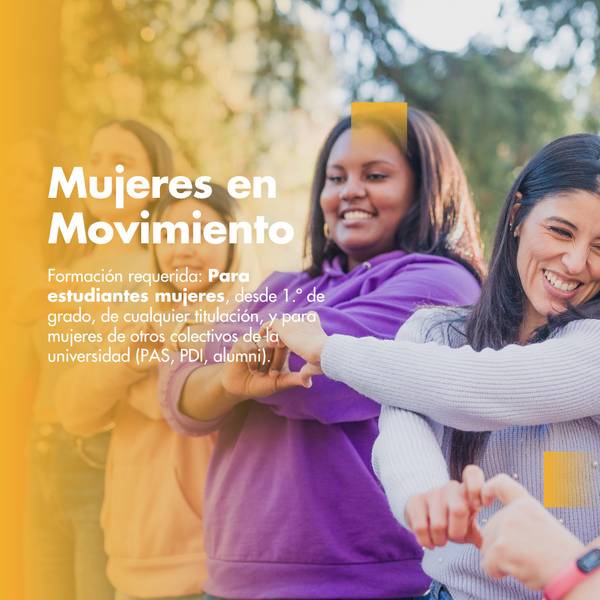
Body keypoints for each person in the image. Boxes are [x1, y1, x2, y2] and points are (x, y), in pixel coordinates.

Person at [160, 108, 484, 600]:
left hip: (360, 582)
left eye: (376, 175)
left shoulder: (442, 281)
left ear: (425, 187)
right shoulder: (285, 285)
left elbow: (313, 377)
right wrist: (229, 378)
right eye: (336, 178)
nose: (350, 190)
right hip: (232, 580)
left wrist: (223, 358)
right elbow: (179, 395)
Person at [263, 133, 600, 600]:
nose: (577, 261)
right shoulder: (432, 332)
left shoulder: (593, 347)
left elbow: (487, 387)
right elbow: (401, 429)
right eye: (561, 231)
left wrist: (333, 351)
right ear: (519, 215)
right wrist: (425, 496)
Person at [55, 187, 256, 600]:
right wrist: (129, 360)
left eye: (202, 233)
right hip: (130, 560)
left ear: (233, 242)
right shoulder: (132, 322)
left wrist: (151, 370)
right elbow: (73, 411)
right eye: (169, 234)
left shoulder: (248, 325)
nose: (183, 248)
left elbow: (182, 407)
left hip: (214, 566)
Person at [23, 120, 173, 600]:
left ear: (153, 186)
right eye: (94, 160)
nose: (102, 172)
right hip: (42, 457)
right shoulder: (64, 266)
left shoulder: (160, 269)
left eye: (122, 162)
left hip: (103, 464)